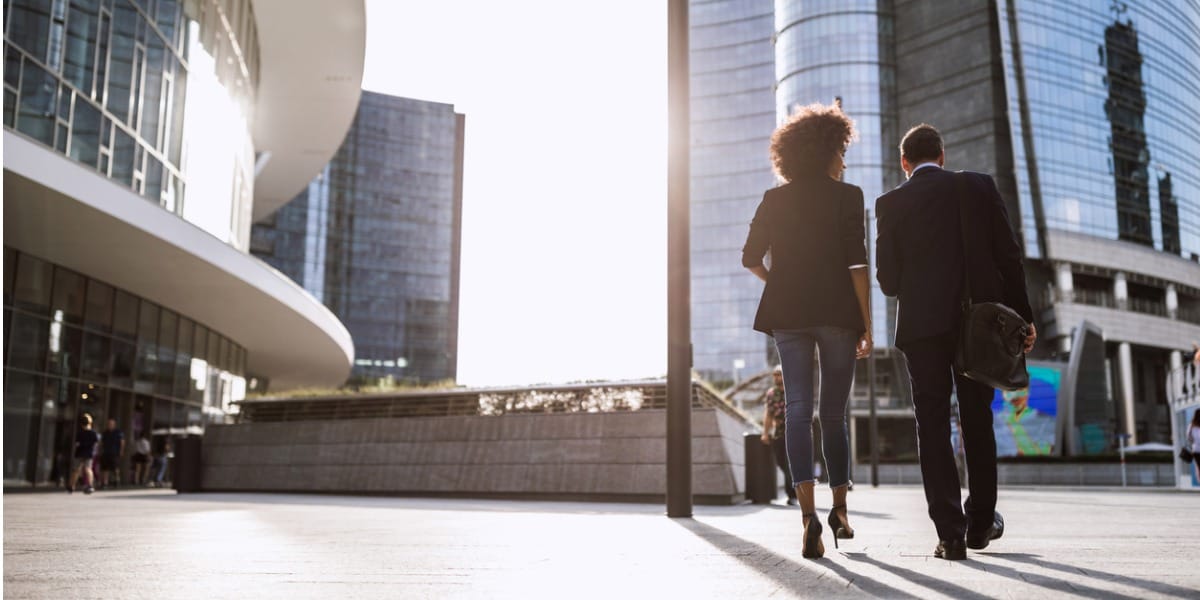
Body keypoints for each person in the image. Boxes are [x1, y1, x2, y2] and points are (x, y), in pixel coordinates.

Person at [875, 124, 1036, 560]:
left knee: (931, 423)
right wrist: (1024, 319)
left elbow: (888, 283)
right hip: (978, 325)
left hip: (922, 328)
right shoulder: (978, 187)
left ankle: (949, 533)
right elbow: (1009, 256)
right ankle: (981, 522)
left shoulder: (889, 203)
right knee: (976, 419)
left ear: (904, 163)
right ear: (942, 156)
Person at [743, 102, 873, 559]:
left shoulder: (773, 198)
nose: (844, 160)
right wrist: (866, 325)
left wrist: (778, 283)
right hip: (838, 314)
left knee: (797, 411)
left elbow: (750, 258)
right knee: (832, 414)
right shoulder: (848, 195)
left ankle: (807, 518)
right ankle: (840, 512)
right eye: (841, 151)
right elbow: (858, 266)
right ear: (825, 152)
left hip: (788, 315)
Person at [760, 366, 798, 506]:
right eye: (775, 375)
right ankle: (794, 490)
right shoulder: (771, 393)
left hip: (794, 433)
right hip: (778, 434)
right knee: (781, 463)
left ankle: (792, 495)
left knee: (790, 465)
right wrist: (765, 432)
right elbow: (768, 414)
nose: (776, 377)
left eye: (779, 375)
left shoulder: (793, 390)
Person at [68, 413, 100, 494]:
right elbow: (96, 444)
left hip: (80, 453)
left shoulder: (80, 433)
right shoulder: (93, 433)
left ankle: (71, 486)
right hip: (89, 453)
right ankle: (90, 485)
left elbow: (77, 444)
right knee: (88, 469)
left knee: (76, 470)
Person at [99, 418, 125, 489]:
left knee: (115, 467)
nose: (110, 425)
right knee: (105, 468)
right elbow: (101, 442)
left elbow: (122, 442)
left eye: (111, 424)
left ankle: (117, 480)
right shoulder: (105, 433)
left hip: (114, 452)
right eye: (109, 424)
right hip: (106, 452)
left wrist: (121, 451)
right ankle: (105, 483)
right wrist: (101, 450)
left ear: (114, 425)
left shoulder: (118, 432)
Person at [1188, 411, 1200, 483]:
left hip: (1196, 450)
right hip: (1197, 450)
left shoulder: (1191, 426)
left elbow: (1189, 437)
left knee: (1199, 467)